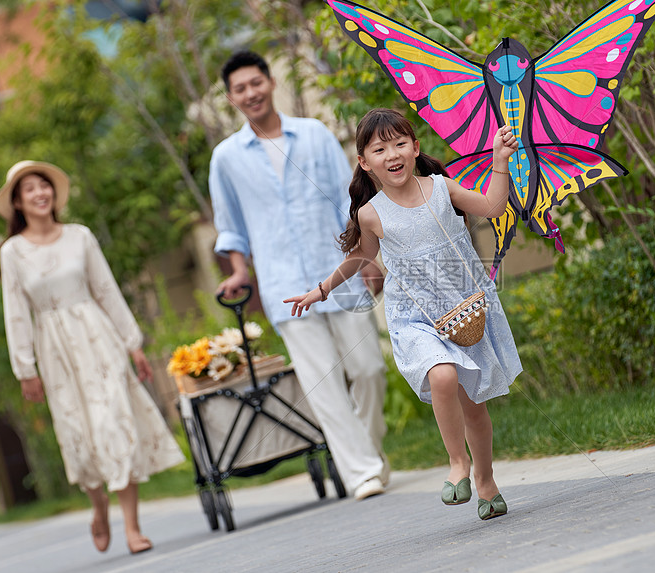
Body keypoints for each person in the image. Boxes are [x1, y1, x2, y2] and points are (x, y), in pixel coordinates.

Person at [285, 109, 523, 520]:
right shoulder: (371, 213)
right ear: (364, 162)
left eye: (399, 143)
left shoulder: (442, 188)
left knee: (475, 408)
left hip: (463, 303)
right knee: (442, 374)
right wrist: (323, 289)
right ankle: (457, 463)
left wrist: (500, 162)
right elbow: (361, 256)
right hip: (414, 315)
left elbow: (492, 205)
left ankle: (485, 481)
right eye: (379, 148)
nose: (391, 154)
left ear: (415, 148)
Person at [209, 50, 389, 500]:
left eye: (256, 83)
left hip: (338, 270)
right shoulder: (226, 158)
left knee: (368, 370)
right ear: (230, 98)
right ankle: (361, 471)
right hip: (284, 284)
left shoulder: (313, 135)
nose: (250, 93)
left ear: (270, 82)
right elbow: (231, 226)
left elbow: (351, 200)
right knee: (323, 382)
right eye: (240, 89)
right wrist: (237, 271)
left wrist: (368, 258)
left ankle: (368, 450)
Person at [0, 160, 185, 553]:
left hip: (98, 339)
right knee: (78, 434)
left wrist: (133, 342)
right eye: (29, 188)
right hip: (54, 350)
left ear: (54, 193)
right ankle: (98, 504)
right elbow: (16, 313)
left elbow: (106, 290)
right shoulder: (12, 251)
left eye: (43, 185)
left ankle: (132, 527)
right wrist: (24, 368)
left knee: (113, 420)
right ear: (17, 201)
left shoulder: (80, 236)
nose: (39, 193)